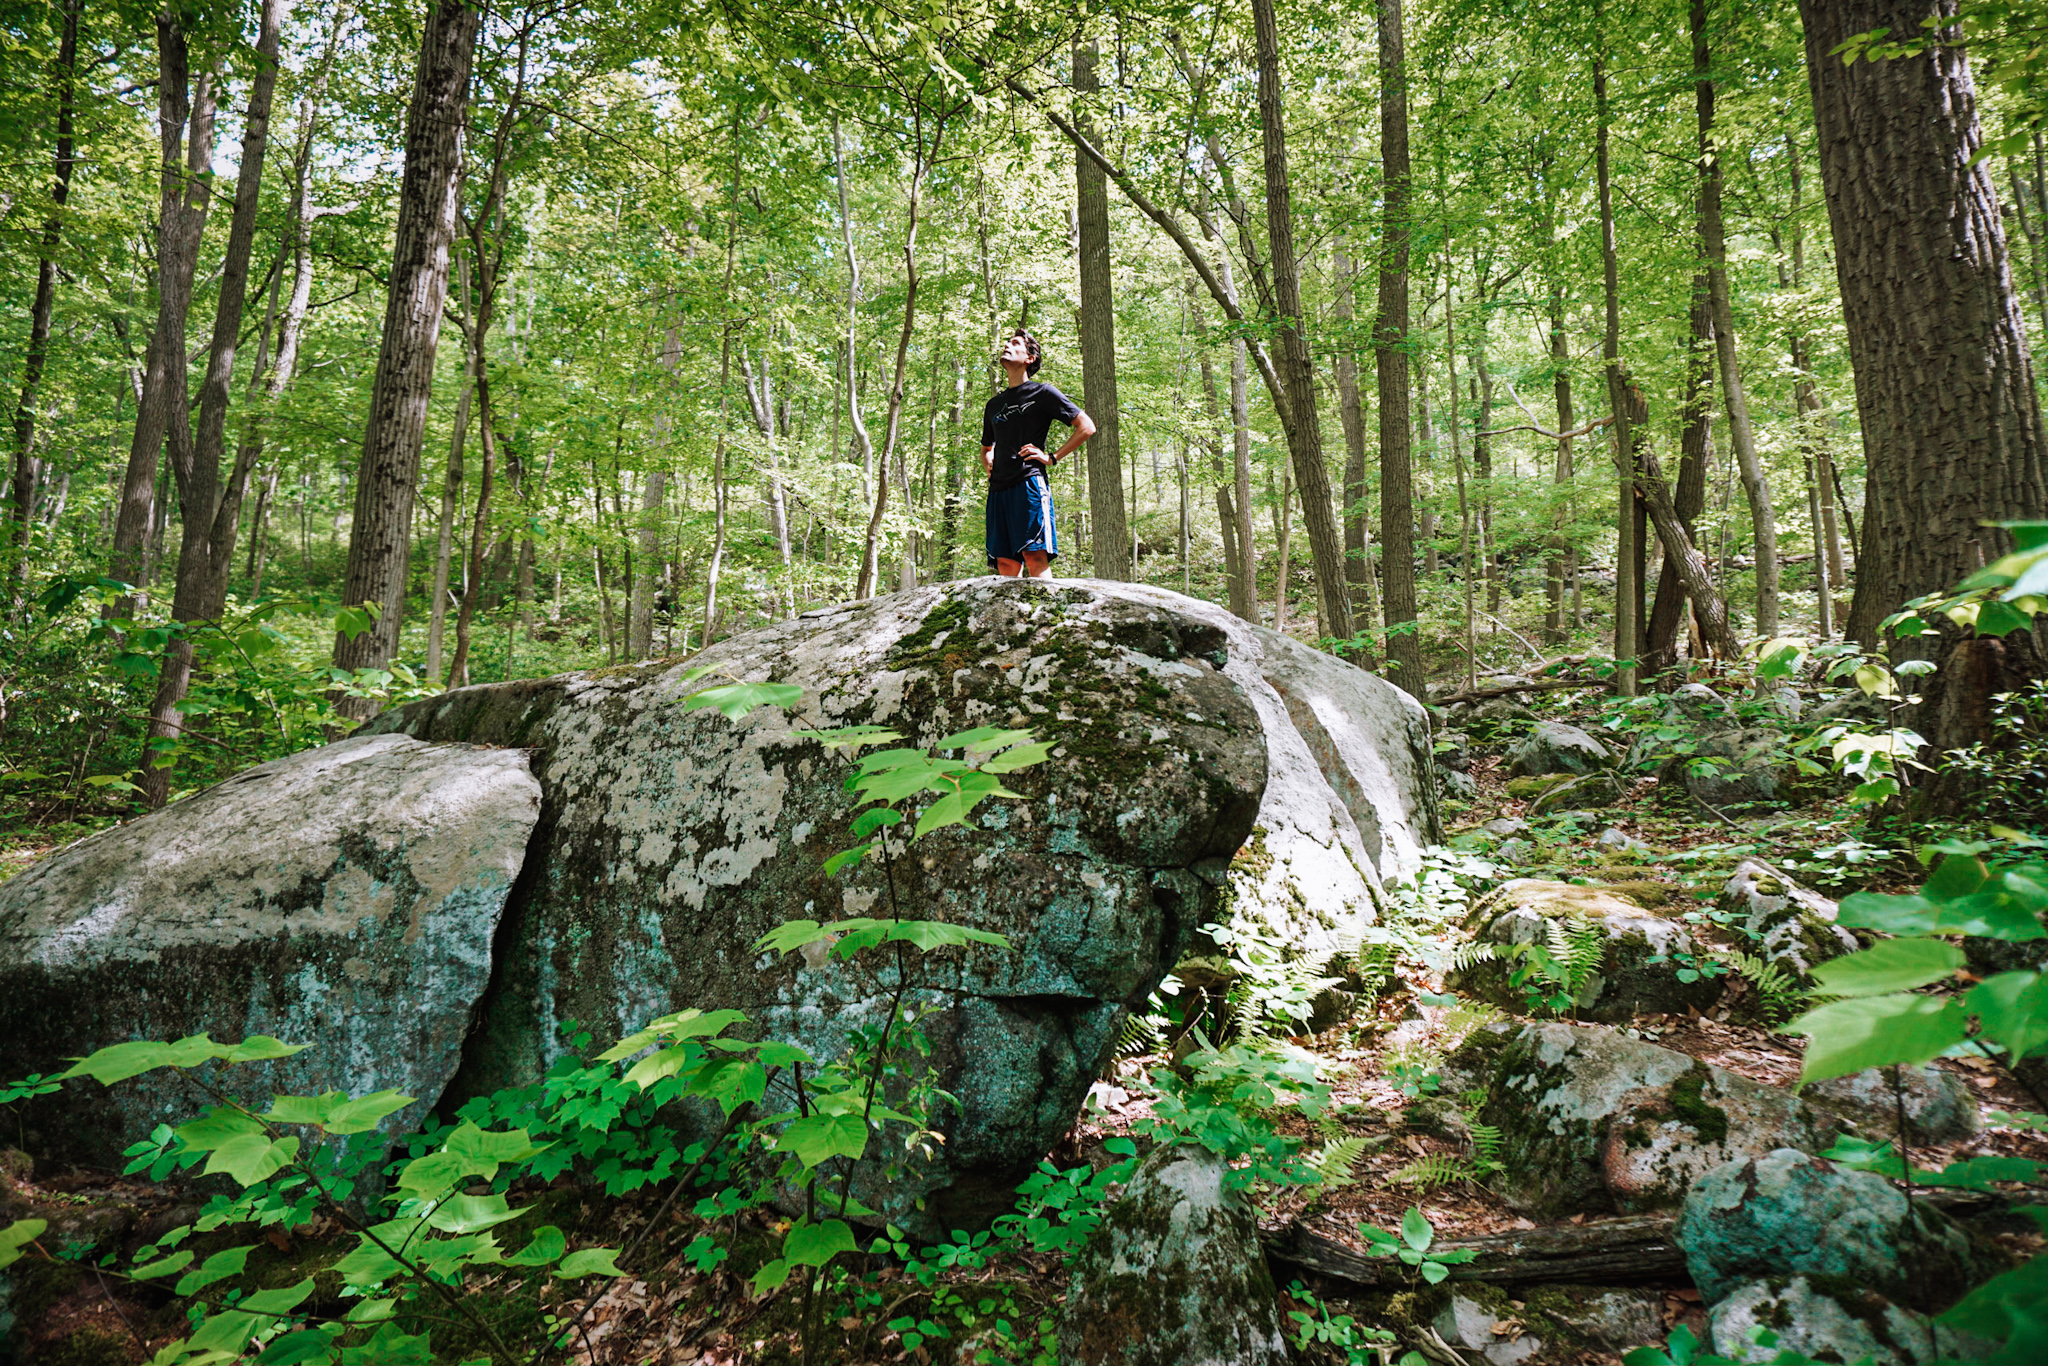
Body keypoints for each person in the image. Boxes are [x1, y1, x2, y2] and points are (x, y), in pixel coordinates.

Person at [982, 328, 1095, 578]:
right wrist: (988, 464)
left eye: (1014, 343)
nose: (1006, 346)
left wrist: (1051, 457)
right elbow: (986, 448)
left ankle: (1044, 617)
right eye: (1006, 343)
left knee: (1034, 556)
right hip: (998, 491)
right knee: (1005, 563)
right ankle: (1011, 618)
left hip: (1029, 484)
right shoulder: (994, 405)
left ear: (1030, 358)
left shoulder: (1043, 393)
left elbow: (1086, 427)